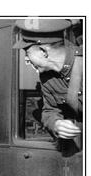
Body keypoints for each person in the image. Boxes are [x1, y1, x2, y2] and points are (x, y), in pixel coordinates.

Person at [13, 19, 82, 151]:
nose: (27, 59)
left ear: (43, 52)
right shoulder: (46, 77)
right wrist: (56, 124)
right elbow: (49, 110)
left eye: (27, 53)